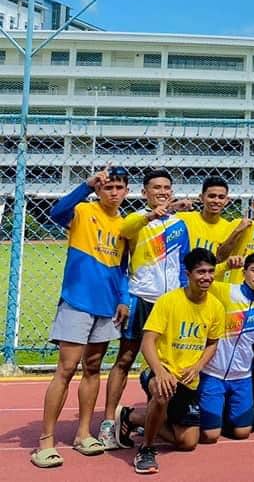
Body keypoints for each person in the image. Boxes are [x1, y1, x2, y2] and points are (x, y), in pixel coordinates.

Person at [32, 166, 130, 469]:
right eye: (108, 187)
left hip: (107, 307)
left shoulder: (126, 225)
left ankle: (84, 433)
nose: (113, 193)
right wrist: (86, 185)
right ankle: (45, 442)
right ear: (100, 190)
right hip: (77, 301)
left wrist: (124, 299)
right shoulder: (83, 211)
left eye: (119, 188)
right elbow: (56, 211)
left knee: (92, 368)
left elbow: (125, 268)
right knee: (66, 368)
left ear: (127, 191)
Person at [99, 169, 193, 450]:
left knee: (168, 360)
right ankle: (108, 422)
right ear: (145, 193)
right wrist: (125, 298)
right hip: (141, 298)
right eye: (155, 188)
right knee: (125, 358)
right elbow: (124, 237)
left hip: (171, 303)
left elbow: (184, 265)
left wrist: (184, 299)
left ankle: (158, 414)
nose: (162, 192)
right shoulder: (136, 221)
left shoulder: (180, 225)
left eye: (166, 187)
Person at [114, 248, 225, 474]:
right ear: (188, 273)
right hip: (160, 369)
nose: (207, 277)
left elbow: (212, 343)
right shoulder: (169, 301)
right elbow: (147, 341)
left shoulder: (215, 307)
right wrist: (160, 371)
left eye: (211, 272)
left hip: (188, 379)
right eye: (201, 272)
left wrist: (197, 366)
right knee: (162, 392)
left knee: (188, 442)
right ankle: (146, 449)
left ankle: (133, 417)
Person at [197, 252, 254, 444]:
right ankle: (210, 414)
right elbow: (204, 279)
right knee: (210, 436)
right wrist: (225, 266)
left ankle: (220, 412)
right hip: (213, 373)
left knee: (242, 433)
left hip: (241, 377)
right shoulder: (227, 292)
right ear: (244, 272)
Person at [181, 175, 234, 255]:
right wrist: (172, 207)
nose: (216, 201)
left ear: (227, 201)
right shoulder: (183, 219)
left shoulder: (229, 228)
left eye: (221, 197)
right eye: (211, 196)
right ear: (201, 198)